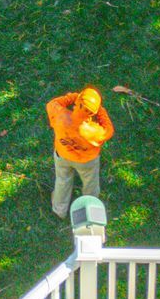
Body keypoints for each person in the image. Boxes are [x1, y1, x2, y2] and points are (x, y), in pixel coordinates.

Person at [46, 86, 114, 218]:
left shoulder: (60, 115)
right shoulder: (95, 132)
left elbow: (52, 103)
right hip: (86, 162)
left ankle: (59, 209)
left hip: (62, 155)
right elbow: (108, 129)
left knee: (62, 180)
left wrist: (72, 97)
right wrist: (100, 110)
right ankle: (89, 209)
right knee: (90, 184)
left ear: (77, 102)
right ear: (92, 113)